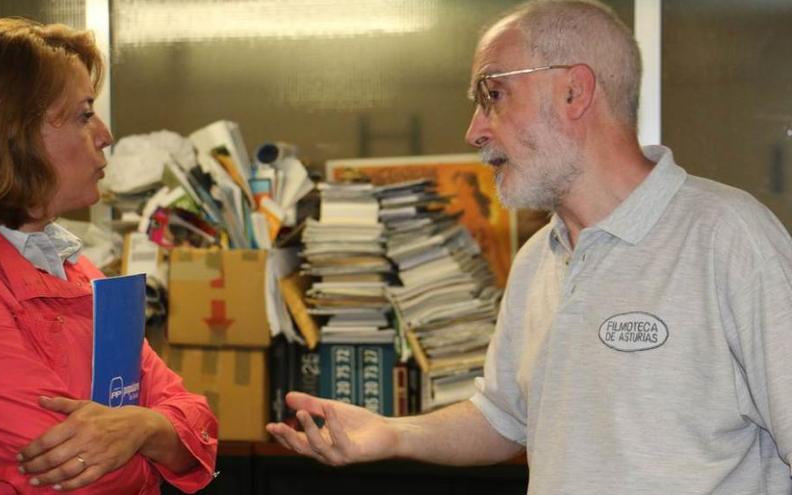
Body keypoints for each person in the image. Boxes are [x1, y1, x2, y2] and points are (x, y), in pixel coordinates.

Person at [267, 0, 792, 493]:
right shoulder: (538, 256)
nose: (474, 131)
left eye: (492, 94)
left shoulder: (729, 237)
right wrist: (393, 434)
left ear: (574, 92)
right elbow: (504, 419)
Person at [0, 18, 218, 493]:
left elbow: (196, 421)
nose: (105, 133)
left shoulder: (73, 266)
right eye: (83, 115)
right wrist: (158, 448)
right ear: (12, 132)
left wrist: (143, 428)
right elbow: (70, 475)